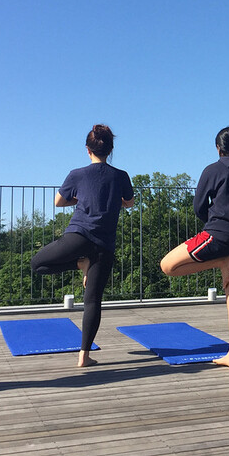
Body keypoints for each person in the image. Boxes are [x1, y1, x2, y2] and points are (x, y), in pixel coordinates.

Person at [160, 126, 229, 369]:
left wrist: (215, 221)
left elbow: (199, 206)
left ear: (218, 148)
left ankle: (220, 260)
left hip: (217, 235)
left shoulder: (213, 170)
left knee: (167, 266)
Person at [30, 124, 134, 367]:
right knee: (93, 300)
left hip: (78, 236)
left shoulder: (77, 174)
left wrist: (82, 198)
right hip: (104, 244)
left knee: (37, 264)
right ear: (111, 149)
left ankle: (79, 263)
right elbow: (128, 203)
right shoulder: (121, 176)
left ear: (88, 150)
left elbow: (58, 202)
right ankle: (84, 357)